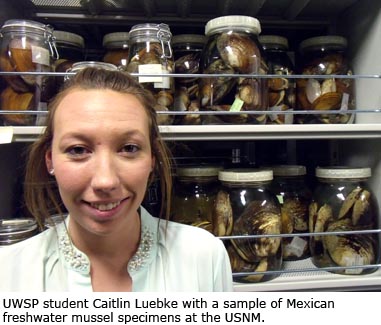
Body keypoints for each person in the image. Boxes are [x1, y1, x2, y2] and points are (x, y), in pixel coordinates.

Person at [0, 67, 233, 291]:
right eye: (78, 150)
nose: (105, 181)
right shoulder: (9, 271)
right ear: (50, 161)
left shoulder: (204, 257)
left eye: (129, 148)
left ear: (152, 159)